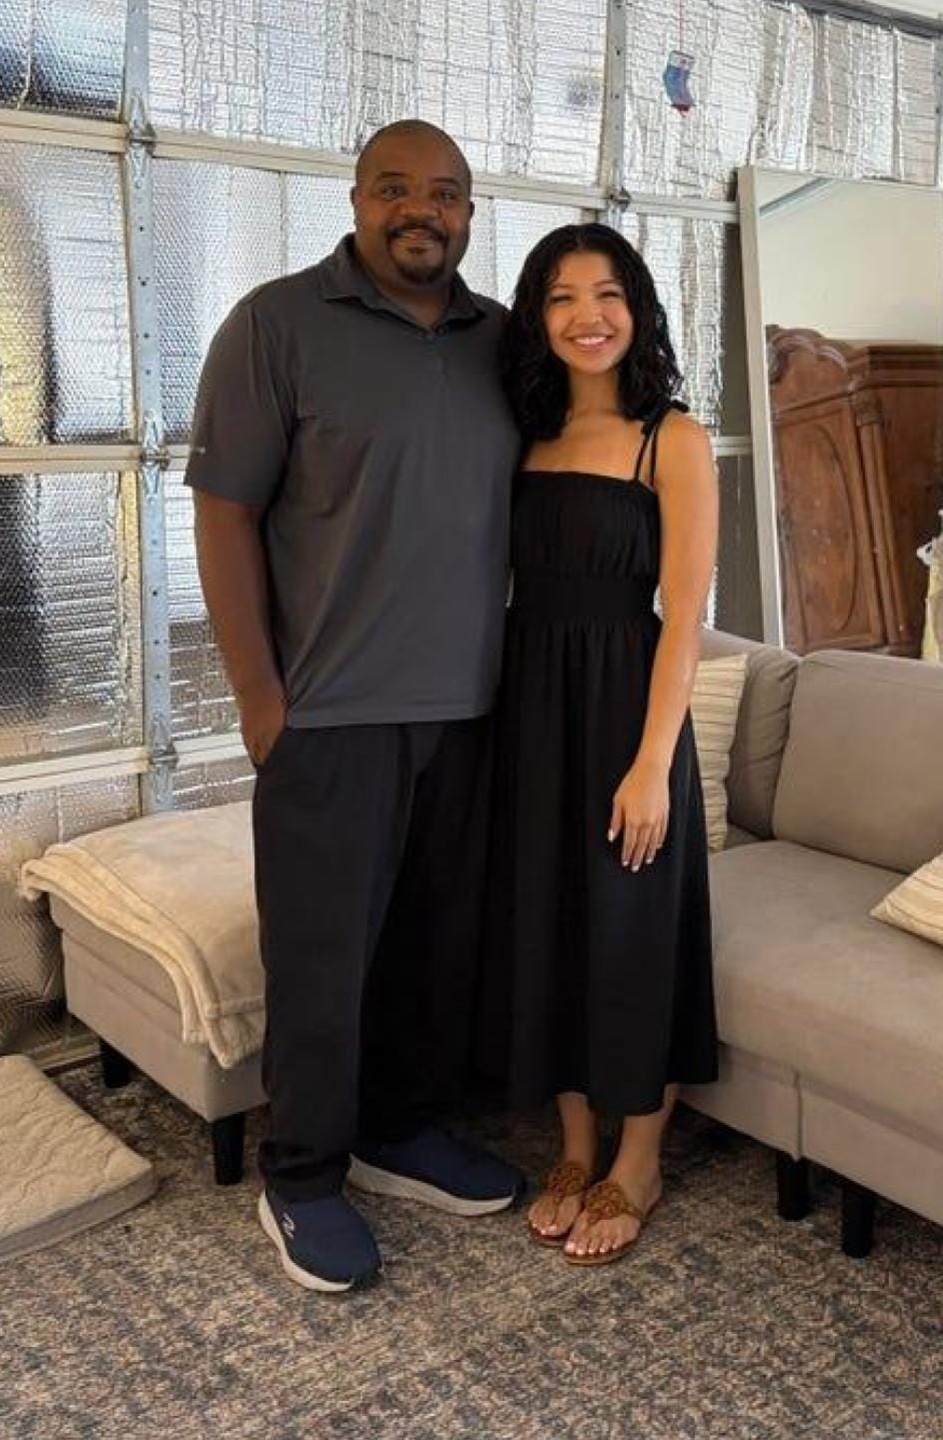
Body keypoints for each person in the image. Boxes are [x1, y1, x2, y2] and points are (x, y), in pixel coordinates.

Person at [187, 119, 525, 1293]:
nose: (420, 211)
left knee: (436, 950)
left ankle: (401, 1129)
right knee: (324, 968)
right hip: (328, 717)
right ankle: (305, 1174)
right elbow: (224, 512)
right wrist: (258, 701)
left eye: (445, 194)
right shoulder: (276, 326)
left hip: (470, 710)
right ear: (357, 199)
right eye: (396, 189)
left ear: (471, 215)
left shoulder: (503, 344)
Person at [485, 223, 720, 1264]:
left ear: (640, 308)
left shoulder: (672, 438)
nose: (590, 316)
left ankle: (639, 1159)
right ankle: (575, 1144)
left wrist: (650, 762)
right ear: (538, 317)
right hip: (531, 707)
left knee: (633, 926)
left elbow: (685, 613)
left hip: (632, 707)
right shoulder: (518, 433)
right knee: (549, 921)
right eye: (564, 297)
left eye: (610, 293)